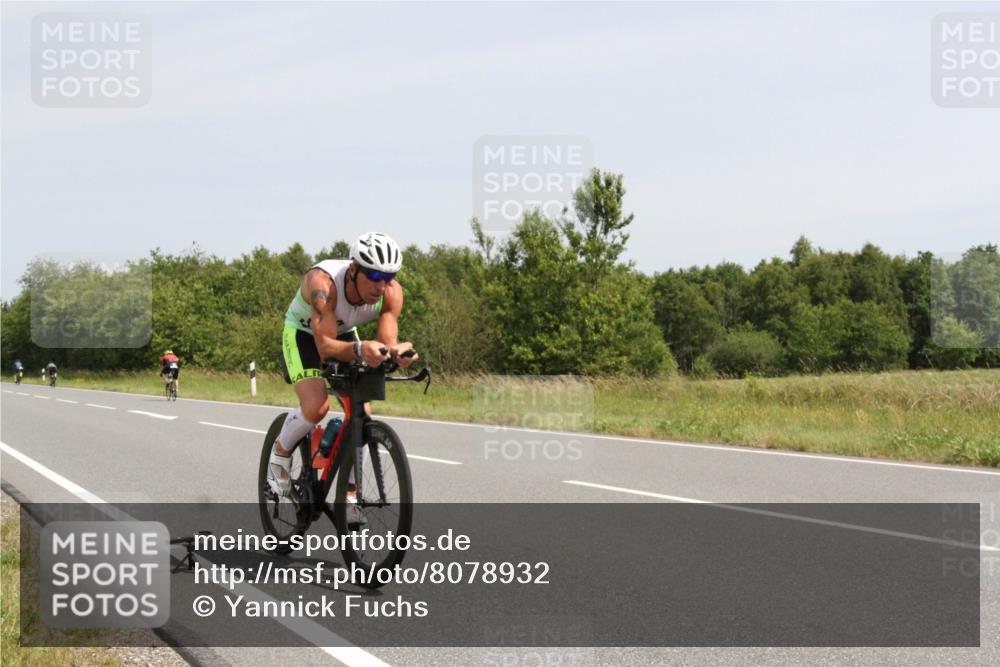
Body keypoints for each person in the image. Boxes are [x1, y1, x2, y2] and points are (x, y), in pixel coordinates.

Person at [270, 232, 418, 498]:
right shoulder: (323, 284)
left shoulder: (392, 294)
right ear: (353, 269)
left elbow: (385, 343)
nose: (380, 286)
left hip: (343, 333)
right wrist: (361, 349)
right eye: (373, 276)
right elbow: (325, 347)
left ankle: (349, 491)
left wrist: (395, 352)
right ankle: (280, 453)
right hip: (303, 333)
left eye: (388, 278)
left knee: (361, 413)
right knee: (317, 407)